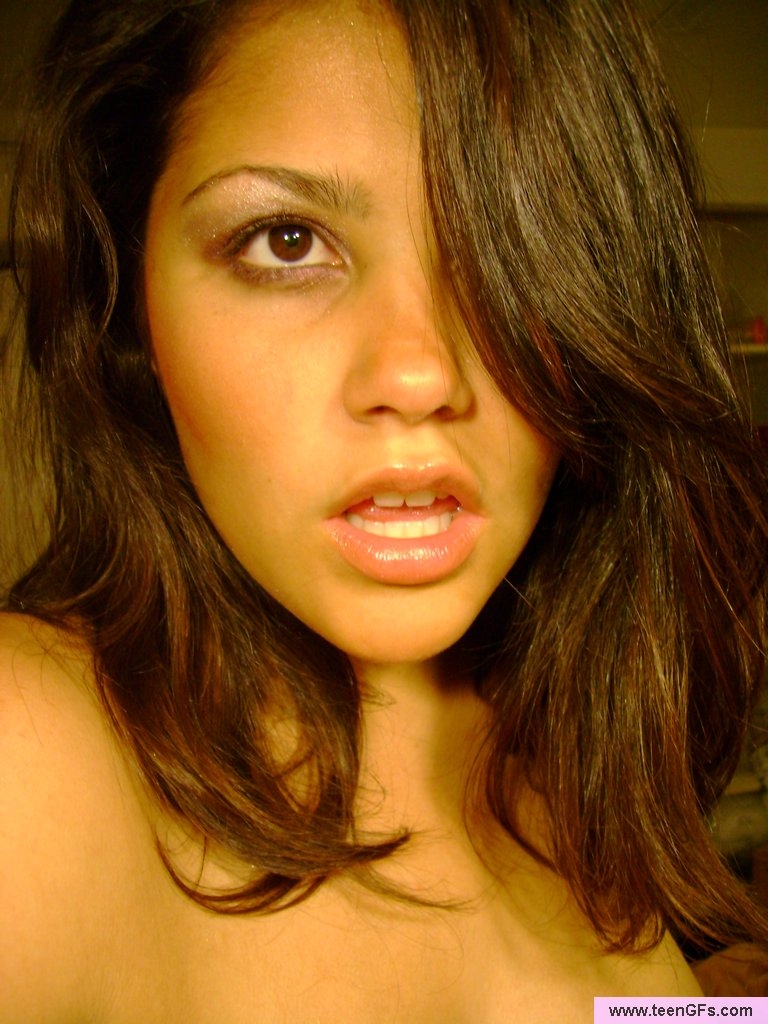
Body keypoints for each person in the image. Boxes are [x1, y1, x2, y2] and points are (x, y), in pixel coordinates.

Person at [1, 0, 767, 1019]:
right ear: (130, 305)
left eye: (514, 246)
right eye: (285, 242)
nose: (419, 374)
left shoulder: (574, 755)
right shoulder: (30, 762)